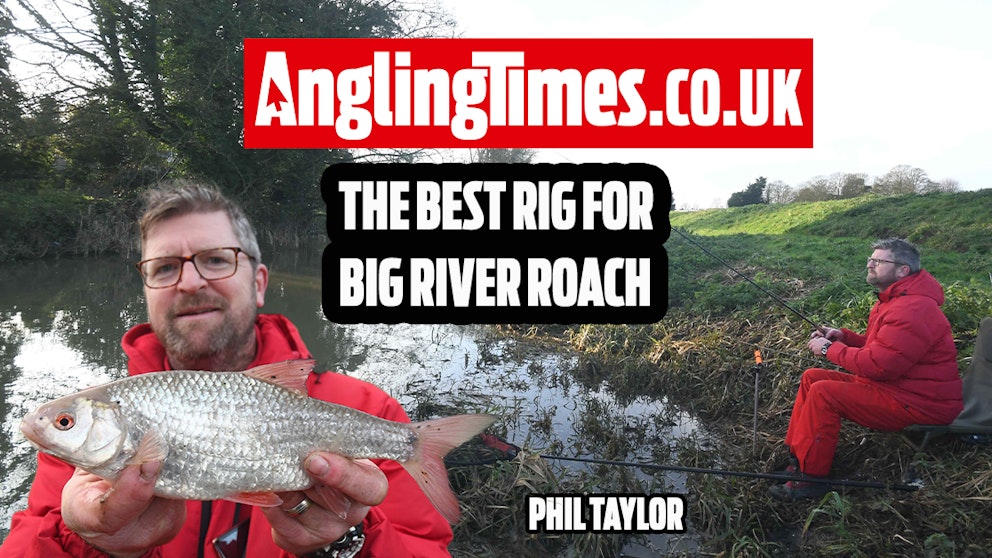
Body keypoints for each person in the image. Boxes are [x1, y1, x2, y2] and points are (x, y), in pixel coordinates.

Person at [2, 180, 454, 556]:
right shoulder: (79, 454)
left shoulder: (372, 409)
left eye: (216, 260)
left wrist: (344, 544)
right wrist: (93, 545)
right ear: (146, 289)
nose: (190, 281)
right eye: (164, 268)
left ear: (258, 284)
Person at [769, 238, 963, 500]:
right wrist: (844, 337)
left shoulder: (914, 308)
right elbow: (885, 348)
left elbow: (878, 366)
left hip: (920, 404)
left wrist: (828, 349)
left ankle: (810, 479)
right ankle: (800, 461)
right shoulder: (894, 299)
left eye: (878, 261)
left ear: (902, 270)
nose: (870, 264)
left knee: (824, 393)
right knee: (811, 377)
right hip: (897, 389)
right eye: (871, 259)